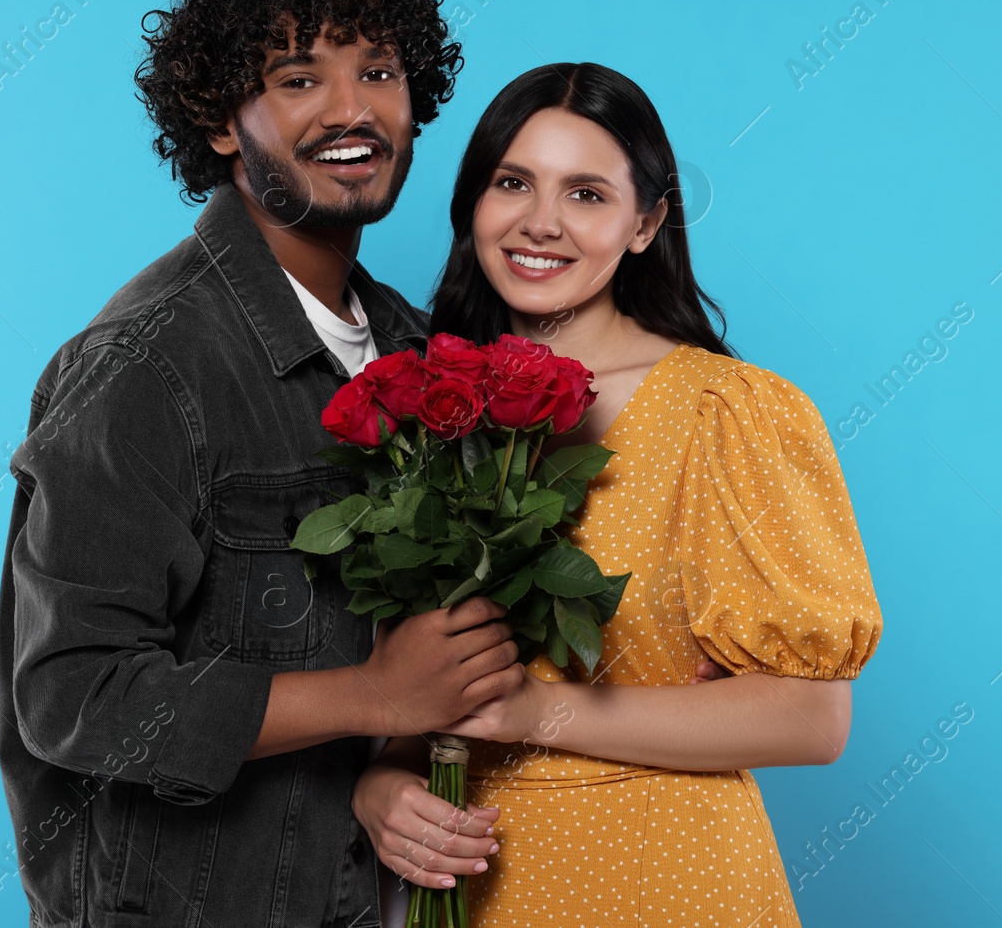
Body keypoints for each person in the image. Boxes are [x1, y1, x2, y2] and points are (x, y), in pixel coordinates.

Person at [0, 0, 527, 928]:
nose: (351, 108)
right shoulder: (145, 365)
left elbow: (421, 651)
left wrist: (390, 763)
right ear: (223, 120)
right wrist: (373, 694)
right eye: (296, 77)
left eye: (378, 70)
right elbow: (73, 696)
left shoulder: (416, 351)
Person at [351, 62, 884, 925]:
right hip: (474, 887)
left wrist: (543, 710)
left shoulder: (727, 413)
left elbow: (812, 717)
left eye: (588, 194)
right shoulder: (430, 410)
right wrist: (381, 784)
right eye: (512, 182)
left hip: (664, 878)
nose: (541, 222)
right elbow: (423, 689)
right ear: (472, 204)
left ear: (647, 223)